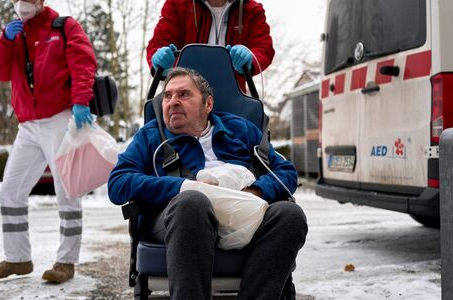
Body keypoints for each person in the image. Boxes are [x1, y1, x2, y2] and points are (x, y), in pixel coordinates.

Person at [108, 68, 307, 299]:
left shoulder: (240, 129)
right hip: (180, 218)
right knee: (192, 202)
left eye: (184, 94)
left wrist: (256, 191)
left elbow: (286, 172)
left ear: (208, 104)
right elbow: (118, 182)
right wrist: (182, 188)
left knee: (290, 214)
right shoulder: (150, 136)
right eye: (168, 96)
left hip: (244, 214)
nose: (173, 102)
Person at [0, 0, 97, 284]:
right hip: (28, 124)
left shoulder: (64, 27)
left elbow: (84, 63)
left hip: (59, 118)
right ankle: (17, 258)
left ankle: (66, 261)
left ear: (41, 1)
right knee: (10, 191)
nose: (23, 5)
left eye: (29, 0)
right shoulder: (14, 33)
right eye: (18, 0)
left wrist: (81, 101)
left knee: (66, 190)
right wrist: (5, 40)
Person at [146, 0, 275, 89]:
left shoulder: (252, 10)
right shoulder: (177, 5)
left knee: (247, 128)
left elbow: (264, 48)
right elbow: (158, 43)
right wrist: (159, 62)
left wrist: (250, 59)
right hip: (183, 95)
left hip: (232, 98)